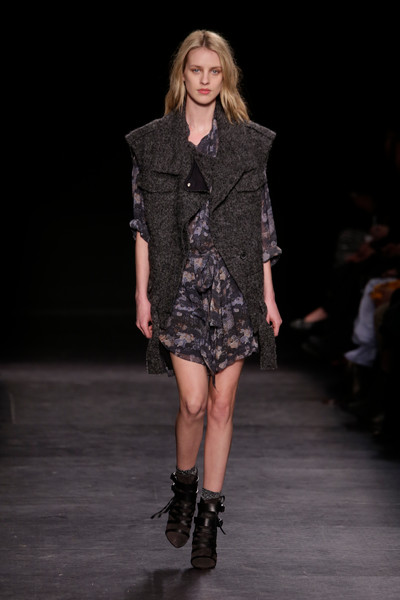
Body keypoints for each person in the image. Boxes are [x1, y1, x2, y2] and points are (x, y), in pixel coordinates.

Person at [125, 29, 282, 569]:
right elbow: (142, 226)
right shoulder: (153, 143)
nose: (206, 80)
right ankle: (185, 487)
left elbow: (261, 227)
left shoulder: (248, 143)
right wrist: (143, 295)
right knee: (192, 402)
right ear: (182, 75)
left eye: (215, 72)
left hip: (235, 284)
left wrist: (268, 297)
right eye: (197, 70)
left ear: (225, 77)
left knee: (221, 404)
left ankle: (208, 522)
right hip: (180, 284)